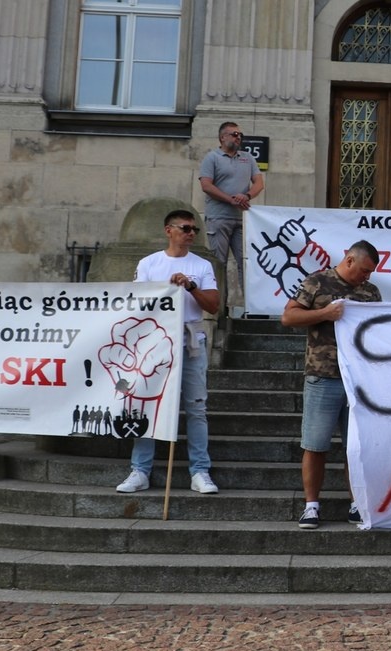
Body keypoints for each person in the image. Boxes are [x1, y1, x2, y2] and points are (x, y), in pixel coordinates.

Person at [116, 210, 221, 495]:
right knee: (146, 404)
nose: (190, 233)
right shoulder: (149, 263)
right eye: (185, 228)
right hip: (154, 344)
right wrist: (164, 289)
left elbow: (213, 305)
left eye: (194, 230)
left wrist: (190, 285)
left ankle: (200, 470)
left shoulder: (201, 265)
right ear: (169, 230)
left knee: (196, 408)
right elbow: (135, 301)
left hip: (189, 339)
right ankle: (140, 469)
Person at [281, 241, 382, 528]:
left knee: (358, 446)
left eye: (370, 273)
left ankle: (357, 503)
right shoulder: (317, 281)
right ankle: (311, 505)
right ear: (349, 260)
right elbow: (288, 316)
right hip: (323, 375)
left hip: (359, 380)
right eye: (364, 271)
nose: (367, 277)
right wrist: (324, 314)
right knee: (315, 445)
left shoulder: (371, 292)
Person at [198, 121, 264, 284]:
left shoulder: (248, 158)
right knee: (219, 263)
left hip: (242, 219)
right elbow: (206, 185)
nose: (238, 137)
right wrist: (231, 200)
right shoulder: (212, 157)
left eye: (240, 135)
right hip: (218, 218)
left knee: (246, 262)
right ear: (222, 137)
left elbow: (259, 183)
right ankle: (220, 307)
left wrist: (246, 196)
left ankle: (248, 306)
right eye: (234, 134)